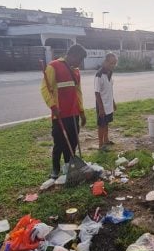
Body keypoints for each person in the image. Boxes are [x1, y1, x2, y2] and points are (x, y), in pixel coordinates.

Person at [40, 44, 87, 179]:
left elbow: (78, 93)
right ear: (72, 55)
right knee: (59, 143)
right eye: (79, 59)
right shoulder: (53, 66)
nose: (80, 63)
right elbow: (44, 89)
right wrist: (53, 106)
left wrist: (82, 112)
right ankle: (55, 169)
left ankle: (68, 166)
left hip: (74, 114)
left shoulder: (76, 71)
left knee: (72, 142)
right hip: (60, 115)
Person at [95, 52, 118, 152]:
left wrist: (113, 102)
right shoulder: (99, 75)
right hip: (102, 106)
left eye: (114, 63)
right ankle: (100, 145)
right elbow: (97, 93)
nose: (112, 65)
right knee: (101, 125)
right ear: (105, 62)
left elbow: (110, 90)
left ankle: (106, 140)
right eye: (111, 63)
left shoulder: (110, 74)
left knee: (107, 123)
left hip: (109, 105)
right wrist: (101, 108)